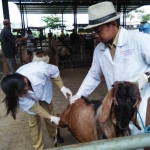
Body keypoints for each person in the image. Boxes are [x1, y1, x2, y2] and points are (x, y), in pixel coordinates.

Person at [69, 1, 150, 142]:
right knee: (121, 139)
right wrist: (78, 96)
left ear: (113, 24)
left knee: (142, 140)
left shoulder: (139, 40)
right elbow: (94, 76)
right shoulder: (99, 50)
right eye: (94, 31)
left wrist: (145, 76)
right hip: (117, 107)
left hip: (141, 105)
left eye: (98, 30)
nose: (95, 35)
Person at [1, 61, 72, 150]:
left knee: (48, 110)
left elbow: (54, 72)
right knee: (34, 121)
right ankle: (38, 147)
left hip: (44, 89)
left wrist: (62, 87)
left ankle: (54, 135)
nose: (22, 95)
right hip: (31, 99)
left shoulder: (40, 69)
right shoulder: (17, 93)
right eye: (19, 95)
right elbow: (35, 107)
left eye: (23, 92)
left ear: (25, 80)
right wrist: (50, 117)